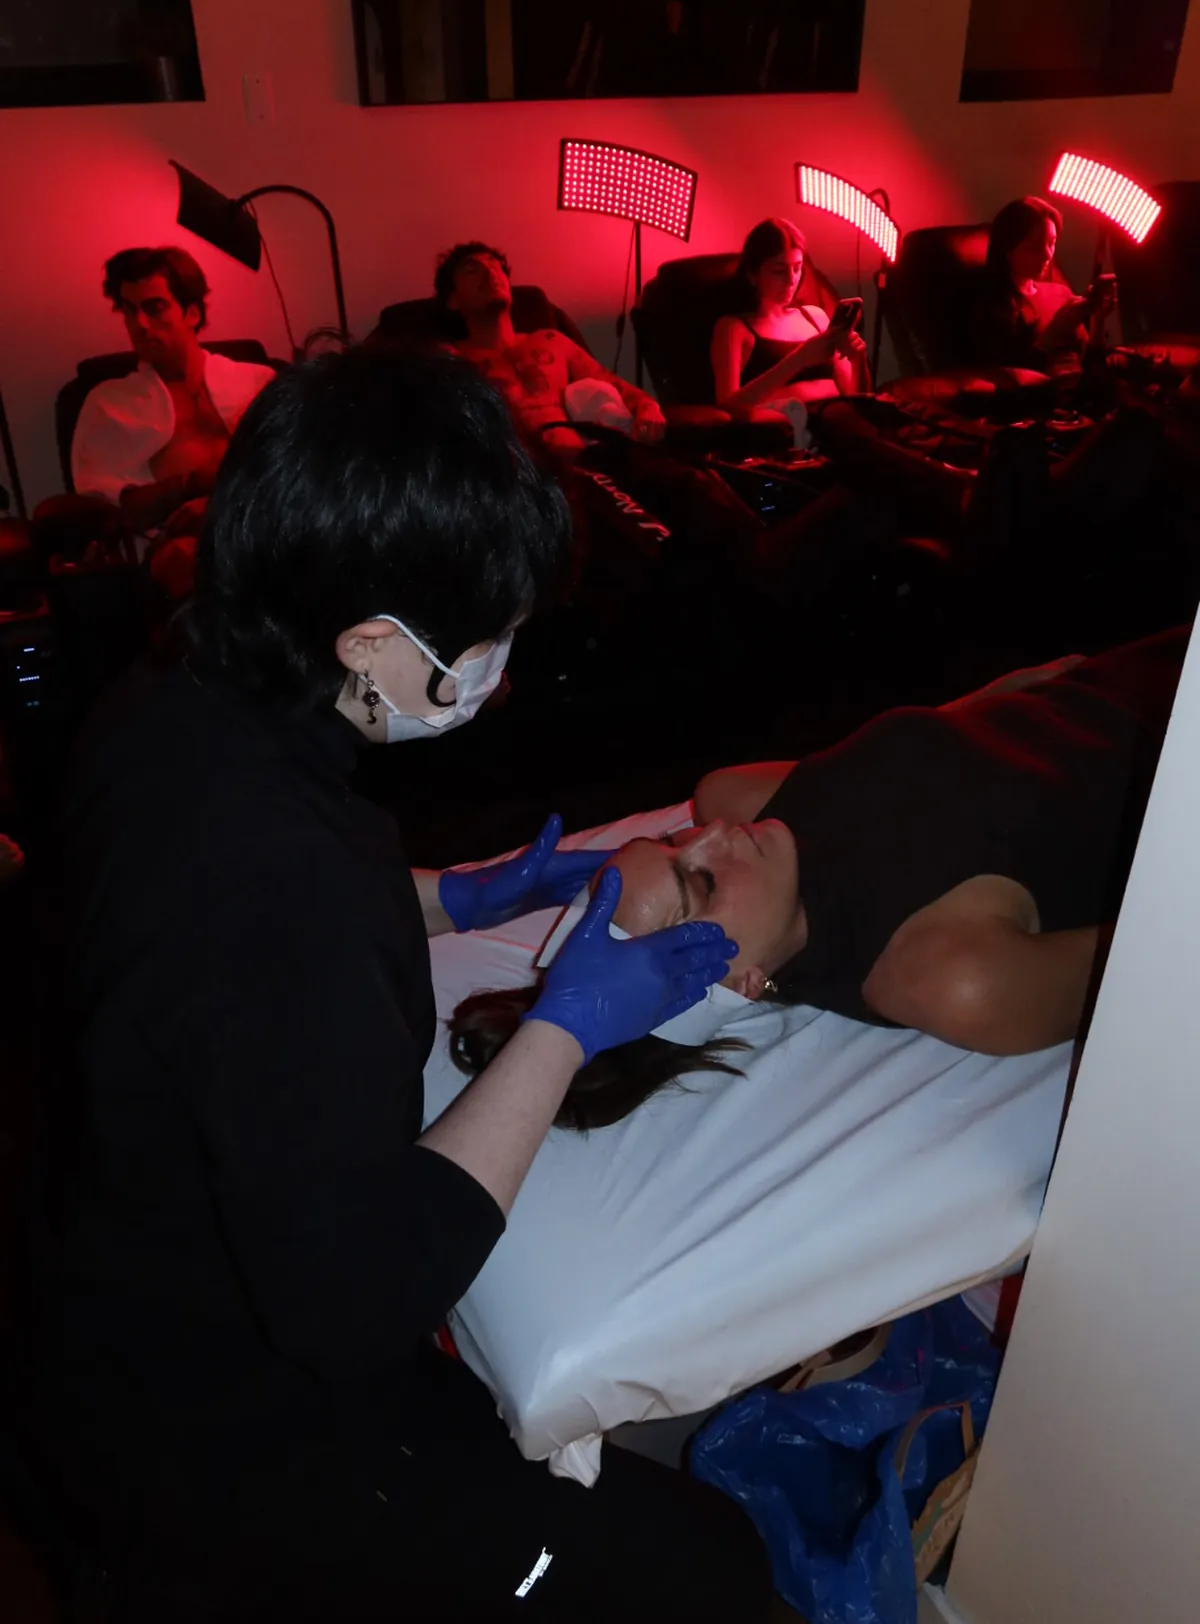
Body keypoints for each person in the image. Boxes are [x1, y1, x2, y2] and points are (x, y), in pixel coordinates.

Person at [17, 351, 769, 1624]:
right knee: (708, 1576)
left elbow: (232, 916)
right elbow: (355, 1301)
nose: (502, 676)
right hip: (210, 1436)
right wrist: (565, 1026)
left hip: (95, 1296)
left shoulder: (177, 693)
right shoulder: (273, 887)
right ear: (370, 643)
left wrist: (450, 898)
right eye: (486, 647)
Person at [461, 635, 1180, 1068]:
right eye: (701, 883)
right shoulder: (947, 977)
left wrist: (1023, 688)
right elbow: (1172, 945)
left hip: (1136, 671)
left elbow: (944, 746)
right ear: (740, 981)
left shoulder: (737, 798)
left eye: (674, 840)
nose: (711, 834)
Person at [71, 246, 276, 597]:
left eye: (154, 308)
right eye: (129, 310)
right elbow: (115, 510)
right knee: (184, 559)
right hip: (178, 546)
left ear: (192, 312)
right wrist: (191, 484)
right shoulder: (109, 403)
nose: (139, 325)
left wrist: (213, 505)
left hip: (261, 525)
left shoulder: (257, 382)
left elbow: (294, 474)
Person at [435, 240, 667, 454]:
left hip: (585, 464)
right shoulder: (451, 361)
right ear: (452, 300)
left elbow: (617, 386)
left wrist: (648, 407)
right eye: (471, 269)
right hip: (518, 474)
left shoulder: (551, 341)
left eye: (495, 266)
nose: (490, 272)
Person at [711, 217, 870, 428]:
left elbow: (858, 399)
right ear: (752, 274)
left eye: (797, 267)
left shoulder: (815, 317)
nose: (791, 279)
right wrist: (799, 359)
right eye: (779, 270)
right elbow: (727, 407)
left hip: (841, 423)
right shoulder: (734, 328)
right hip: (791, 431)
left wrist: (858, 359)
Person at [970, 196, 1119, 380]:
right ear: (1006, 250)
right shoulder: (992, 307)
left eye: (1052, 243)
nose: (1047, 255)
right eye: (1034, 248)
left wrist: (1097, 318)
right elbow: (1014, 380)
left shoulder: (1061, 293)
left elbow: (1094, 366)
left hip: (1089, 389)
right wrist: (1056, 330)